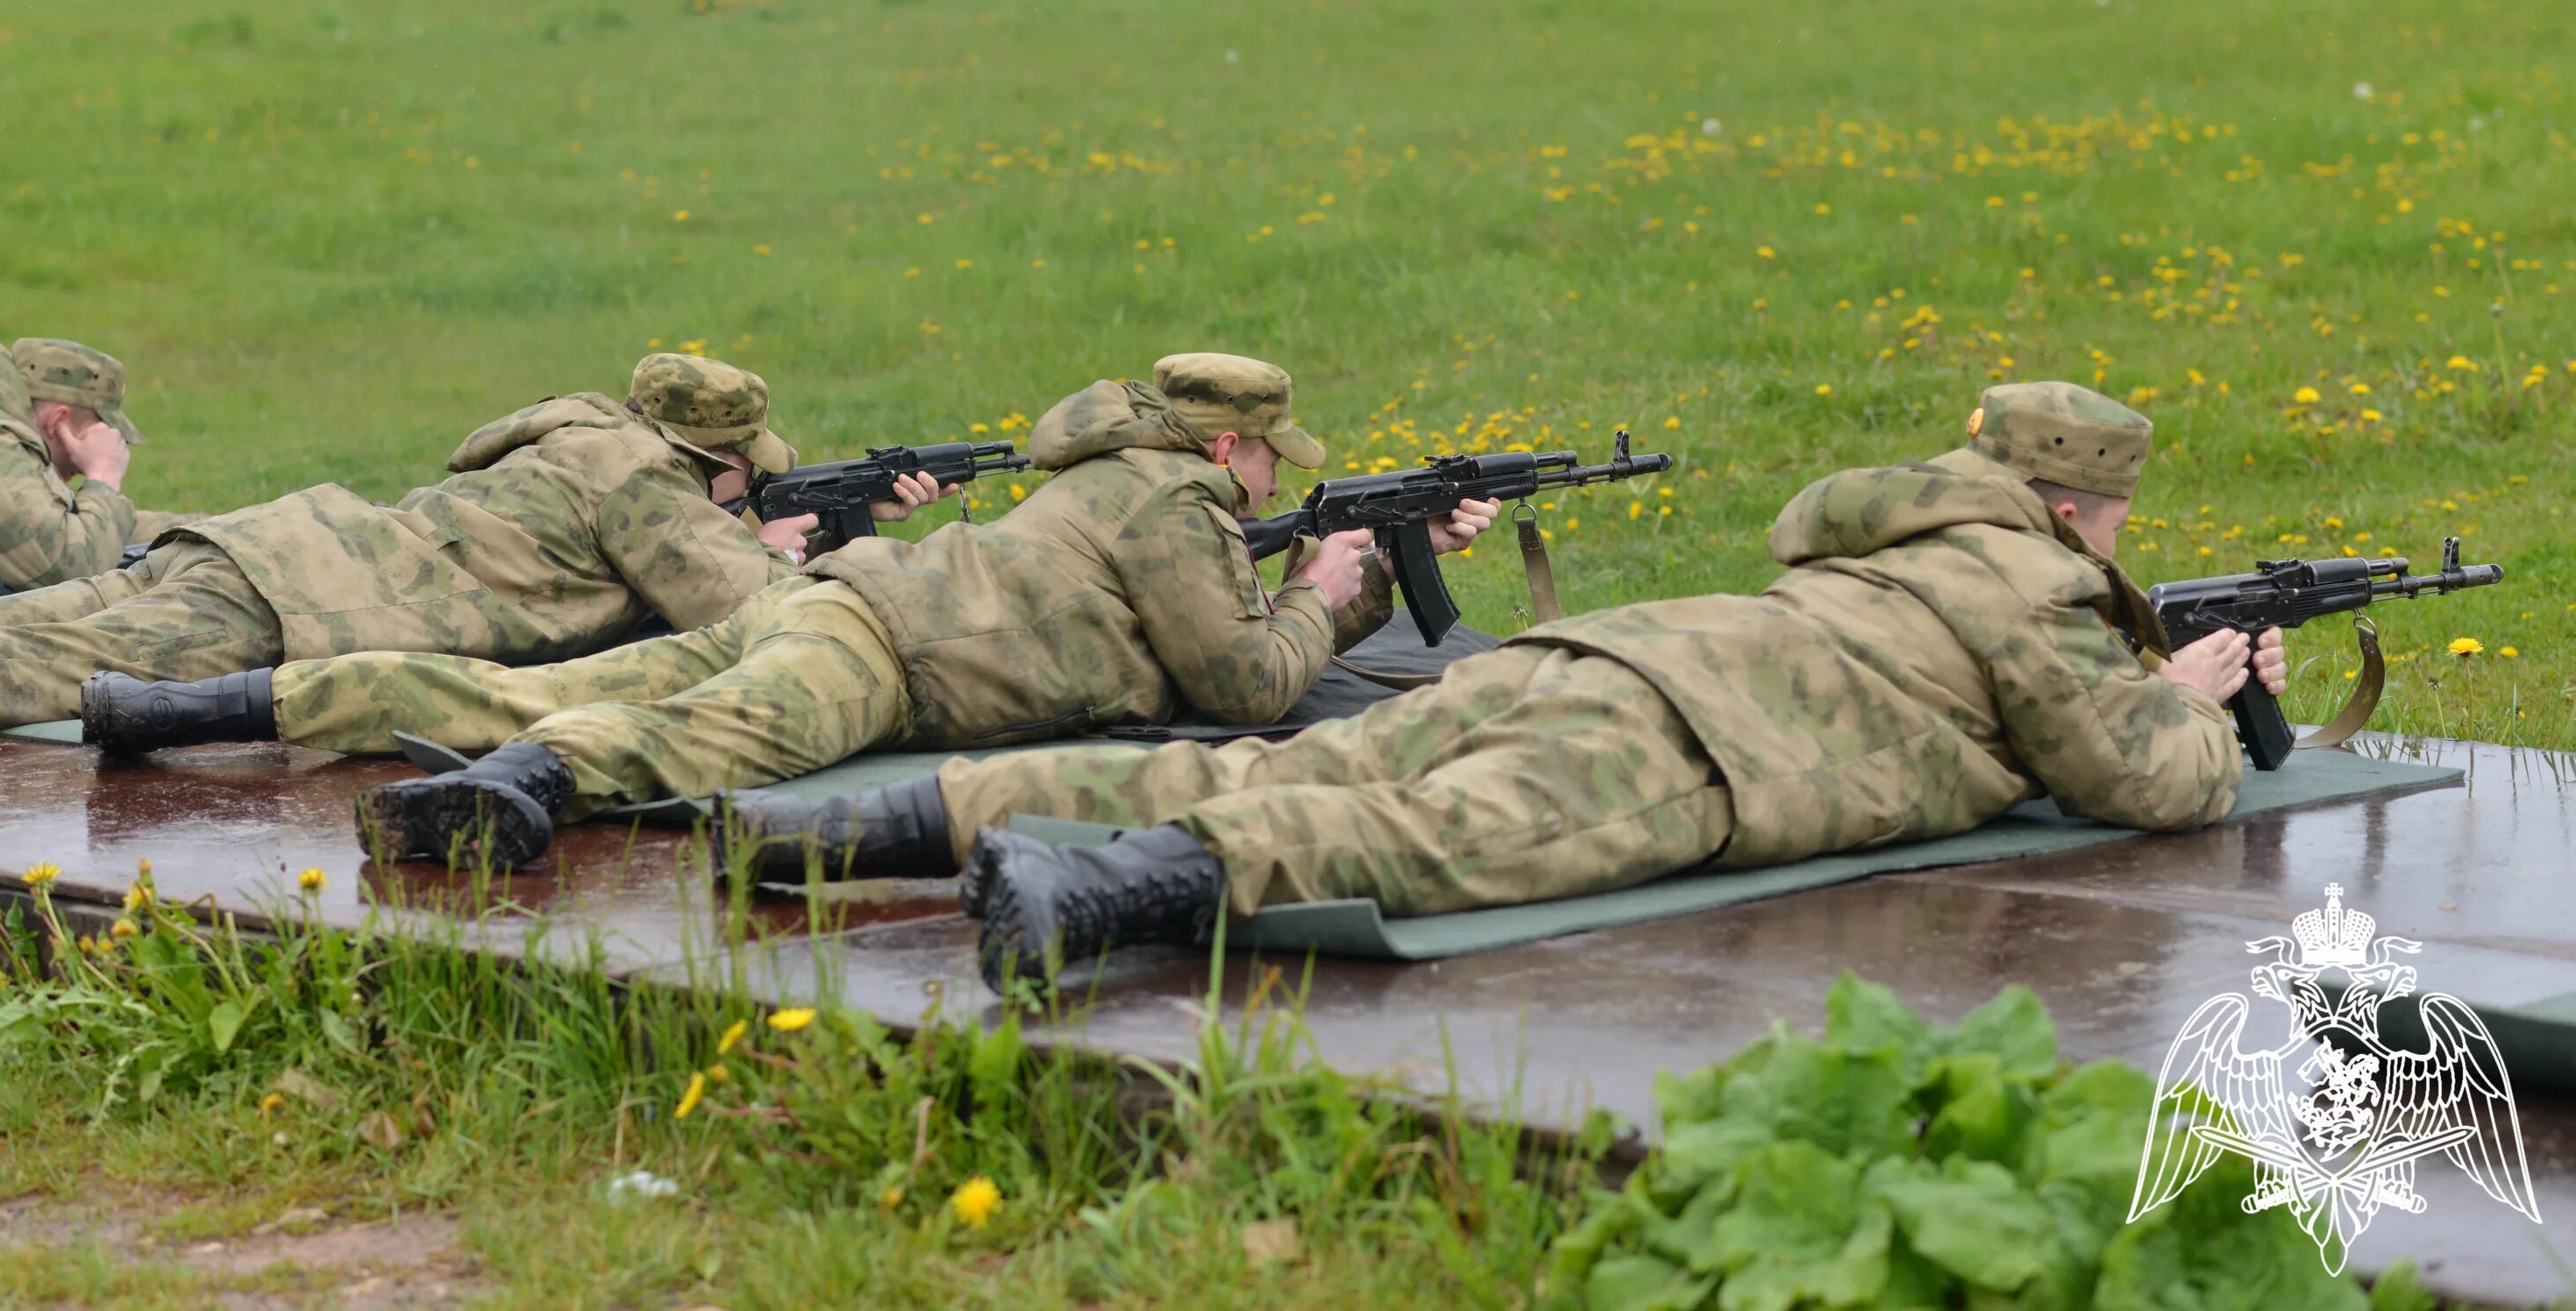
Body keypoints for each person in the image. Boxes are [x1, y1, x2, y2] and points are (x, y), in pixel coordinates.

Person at [747, 381, 2286, 994]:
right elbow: (2133, 779)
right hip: (1713, 745)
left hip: (1616, 652)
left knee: (1272, 769)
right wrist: (2199, 697)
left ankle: (874, 827)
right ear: (2084, 507)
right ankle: (1111, 898)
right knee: (1424, 837)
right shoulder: (2040, 577)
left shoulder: (1907, 529)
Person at [344, 353, 1500, 873]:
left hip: (848, 608)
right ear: (1232, 444)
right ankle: (519, 787)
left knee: (538, 687)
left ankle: (199, 706)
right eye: (1267, 459)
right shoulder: (1170, 497)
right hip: (888, 650)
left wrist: (1355, 583)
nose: (1268, 481)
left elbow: (1207, 623)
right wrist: (1318, 595)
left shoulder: (1121, 477)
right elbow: (1245, 681)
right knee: (707, 738)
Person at [0, 353, 846, 737]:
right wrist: (780, 547)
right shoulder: (646, 484)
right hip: (293, 601)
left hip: (261, 545)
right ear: (707, 457)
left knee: (29, 626)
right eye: (741, 468)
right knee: (22, 672)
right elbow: (759, 612)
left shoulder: (584, 434)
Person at [0, 338, 200, 606]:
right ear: (57, 421)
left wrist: (207, 526)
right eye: (93, 438)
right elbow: (65, 576)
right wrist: (103, 475)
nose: (79, 468)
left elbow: (66, 524)